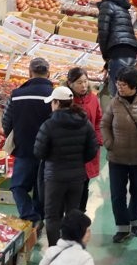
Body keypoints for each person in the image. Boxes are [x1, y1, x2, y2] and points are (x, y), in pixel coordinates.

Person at [33, 86, 99, 246]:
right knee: (73, 214)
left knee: (52, 216)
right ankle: (73, 248)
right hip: (77, 177)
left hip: (54, 177)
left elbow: (39, 152)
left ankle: (55, 250)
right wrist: (78, 160)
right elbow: (92, 150)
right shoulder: (85, 123)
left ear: (56, 103)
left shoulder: (49, 125)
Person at [102, 67, 137, 242]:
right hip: (117, 157)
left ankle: (134, 223)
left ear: (133, 86)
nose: (119, 88)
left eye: (123, 85)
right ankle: (122, 228)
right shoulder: (114, 103)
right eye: (118, 84)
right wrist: (109, 143)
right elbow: (104, 124)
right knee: (117, 194)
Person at [1, 58, 53, 227]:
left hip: (24, 149)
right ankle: (39, 218)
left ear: (29, 73)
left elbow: (6, 120)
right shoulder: (54, 95)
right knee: (42, 189)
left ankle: (31, 217)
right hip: (48, 151)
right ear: (49, 73)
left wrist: (15, 136)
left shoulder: (16, 95)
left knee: (18, 186)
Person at [66, 67, 102, 212]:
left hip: (88, 149)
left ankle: (80, 214)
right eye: (79, 82)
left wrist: (98, 139)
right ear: (70, 84)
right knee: (71, 184)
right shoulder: (66, 100)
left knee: (84, 183)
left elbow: (99, 120)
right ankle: (69, 214)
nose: (83, 85)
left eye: (85, 82)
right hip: (70, 150)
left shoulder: (93, 99)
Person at [97, 0, 137, 95]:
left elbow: (103, 33)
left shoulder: (106, 5)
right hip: (131, 51)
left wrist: (106, 56)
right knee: (129, 89)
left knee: (117, 91)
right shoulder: (123, 8)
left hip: (117, 51)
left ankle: (117, 112)